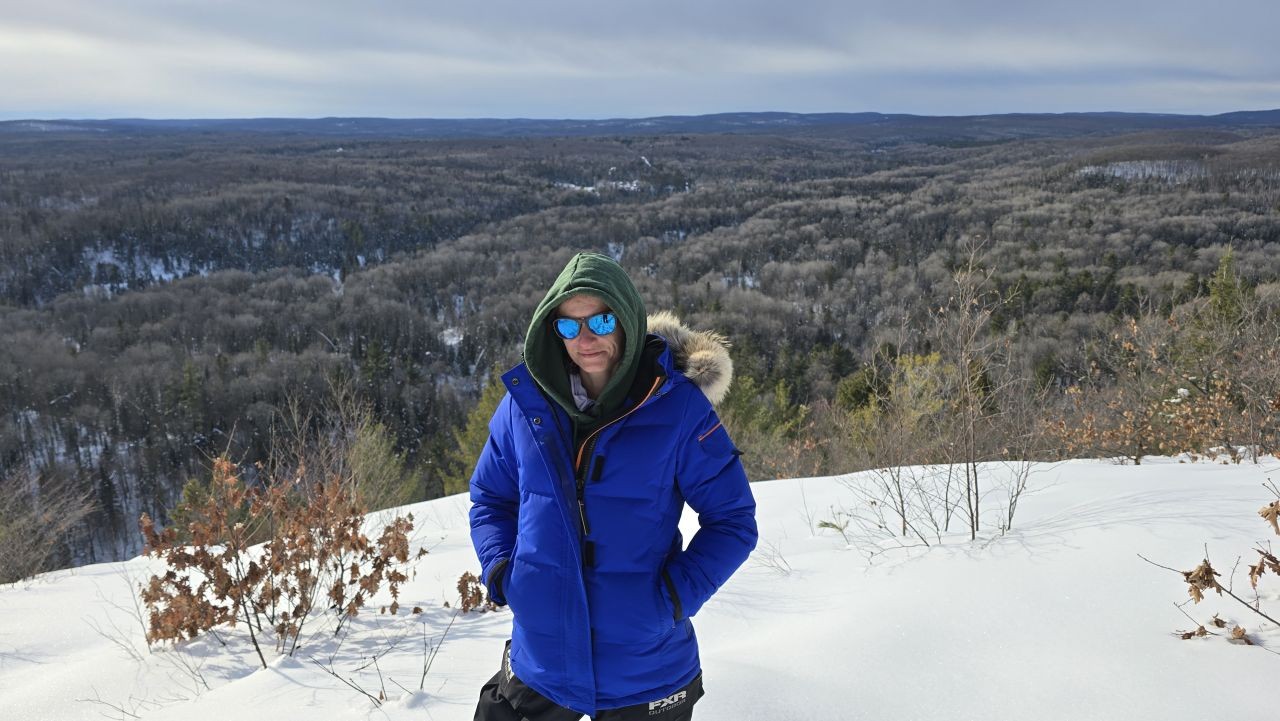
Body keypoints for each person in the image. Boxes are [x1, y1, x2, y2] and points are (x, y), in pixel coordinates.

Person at [468, 252, 758, 721]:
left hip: (646, 668)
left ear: (625, 319)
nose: (585, 339)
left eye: (600, 320)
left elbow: (733, 520)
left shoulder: (678, 408)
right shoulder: (524, 405)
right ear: (552, 330)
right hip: (543, 657)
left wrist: (673, 598)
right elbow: (491, 498)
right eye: (569, 326)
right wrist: (503, 570)